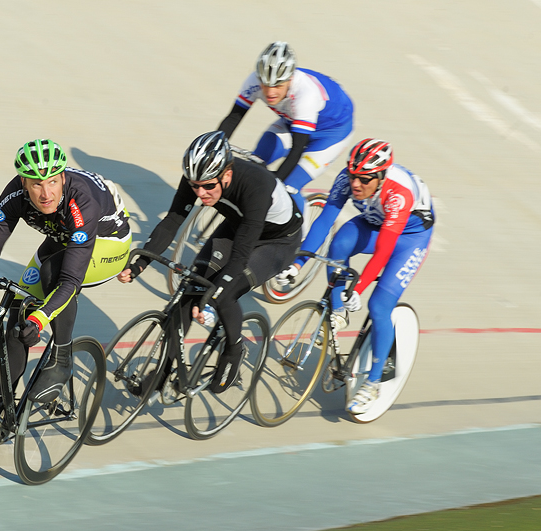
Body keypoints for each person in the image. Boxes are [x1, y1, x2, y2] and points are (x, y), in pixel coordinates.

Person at [0, 139, 131, 449]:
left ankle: (61, 359)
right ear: (23, 182)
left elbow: (70, 281)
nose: (45, 192)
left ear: (63, 177)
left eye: (52, 181)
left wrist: (40, 320)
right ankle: (3, 417)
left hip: (107, 242)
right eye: (36, 184)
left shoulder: (80, 201)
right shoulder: (14, 195)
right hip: (64, 236)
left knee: (53, 277)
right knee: (16, 313)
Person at [118, 131, 302, 393]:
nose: (200, 193)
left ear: (226, 175)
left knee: (224, 293)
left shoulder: (256, 185)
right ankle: (162, 372)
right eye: (194, 186)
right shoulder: (198, 177)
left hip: (277, 242)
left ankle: (234, 349)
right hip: (239, 226)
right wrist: (140, 263)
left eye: (208, 186)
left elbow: (240, 256)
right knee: (190, 289)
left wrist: (212, 296)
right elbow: (172, 221)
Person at [277, 138, 434, 414]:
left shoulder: (398, 194)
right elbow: (325, 220)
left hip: (409, 238)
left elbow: (383, 253)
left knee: (378, 306)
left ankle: (372, 383)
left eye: (363, 179)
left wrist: (358, 289)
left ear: (381, 177)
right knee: (339, 244)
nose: (355, 185)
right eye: (352, 177)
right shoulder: (348, 178)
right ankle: (338, 313)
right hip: (376, 221)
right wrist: (298, 264)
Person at [218, 41, 354, 218]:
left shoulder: (306, 95)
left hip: (330, 134)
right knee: (255, 163)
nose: (270, 92)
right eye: (265, 85)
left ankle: (299, 239)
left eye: (277, 86)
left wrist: (274, 184)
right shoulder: (254, 81)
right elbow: (233, 118)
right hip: (293, 122)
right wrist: (215, 147)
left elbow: (297, 149)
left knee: (288, 187)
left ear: (290, 80)